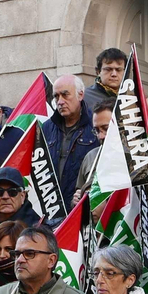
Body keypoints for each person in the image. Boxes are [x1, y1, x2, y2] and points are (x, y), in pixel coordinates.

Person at [43, 75, 100, 211]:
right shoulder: (46, 128)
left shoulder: (96, 126)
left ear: (80, 95)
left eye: (65, 95)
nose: (60, 101)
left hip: (83, 209)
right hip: (52, 210)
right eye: (56, 96)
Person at [74, 103, 113, 202]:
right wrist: (76, 200)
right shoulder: (90, 157)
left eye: (106, 128)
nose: (100, 136)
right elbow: (79, 190)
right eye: (96, 130)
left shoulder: (139, 157)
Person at [85, 47, 126, 111]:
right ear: (98, 71)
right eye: (108, 69)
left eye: (118, 70)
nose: (114, 74)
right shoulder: (84, 97)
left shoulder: (132, 99)